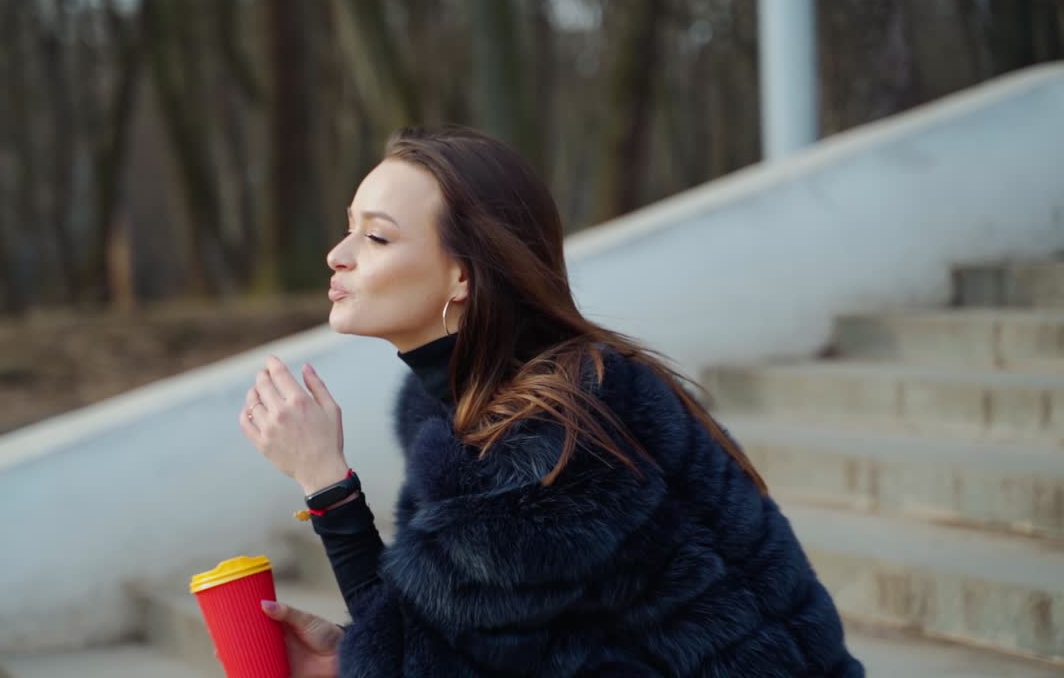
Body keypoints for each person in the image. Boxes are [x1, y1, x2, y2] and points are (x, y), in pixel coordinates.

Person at [238, 125, 864, 677]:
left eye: (375, 238)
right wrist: (353, 647)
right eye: (350, 228)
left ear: (464, 276)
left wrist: (324, 479)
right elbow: (469, 644)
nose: (337, 255)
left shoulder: (550, 440)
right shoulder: (492, 400)